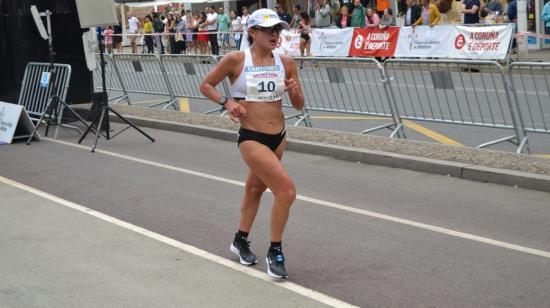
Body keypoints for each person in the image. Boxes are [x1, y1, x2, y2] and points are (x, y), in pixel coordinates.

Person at [200, 8, 304, 280]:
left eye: (278, 30)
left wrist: (295, 92)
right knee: (286, 191)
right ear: (253, 33)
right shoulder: (236, 59)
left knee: (255, 188)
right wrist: (228, 102)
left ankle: (240, 241)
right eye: (269, 30)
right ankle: (275, 251)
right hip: (252, 137)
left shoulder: (286, 62)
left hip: (278, 136)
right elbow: (206, 85)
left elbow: (299, 104)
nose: (274, 35)